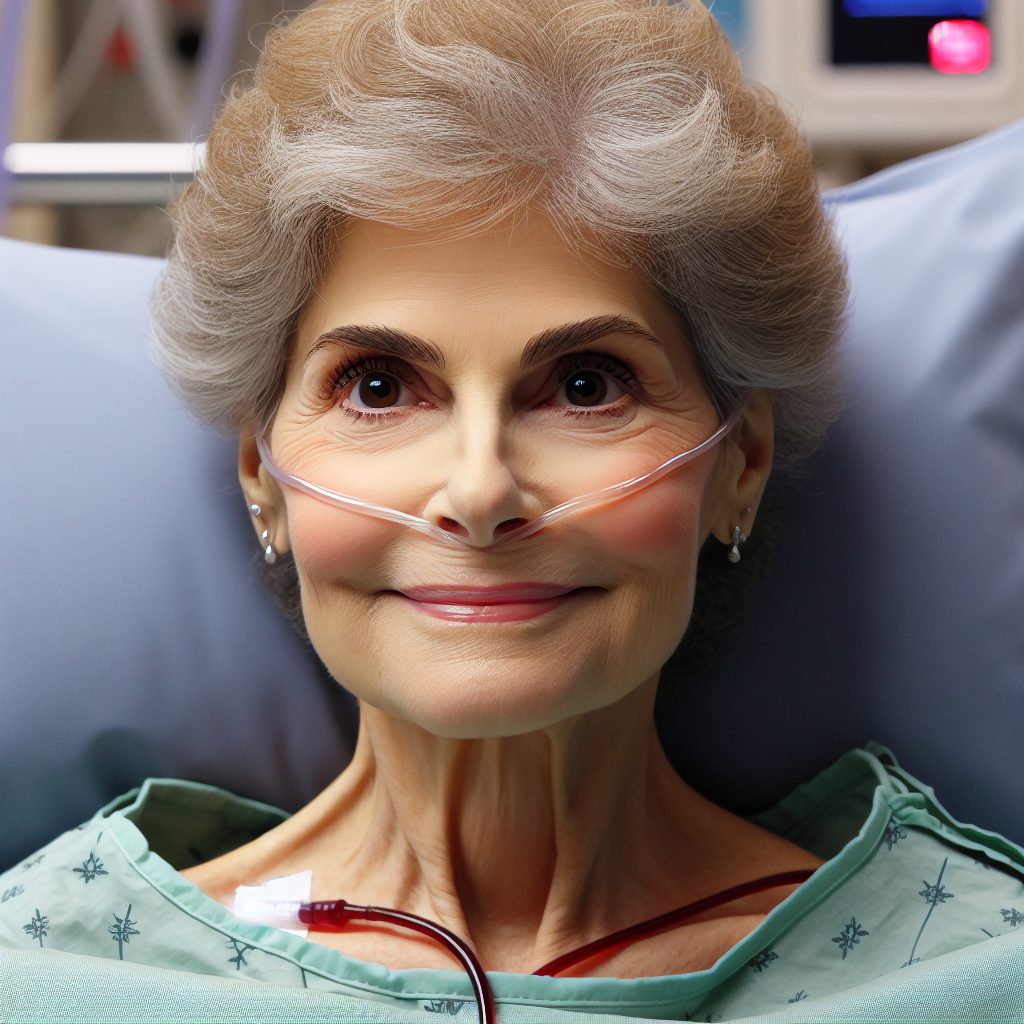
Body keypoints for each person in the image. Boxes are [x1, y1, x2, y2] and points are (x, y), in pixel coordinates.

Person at [2, 2, 1022, 1021]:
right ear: (258, 475)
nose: (481, 492)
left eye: (586, 385)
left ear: (738, 466)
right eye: (377, 386)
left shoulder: (965, 970)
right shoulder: (56, 969)